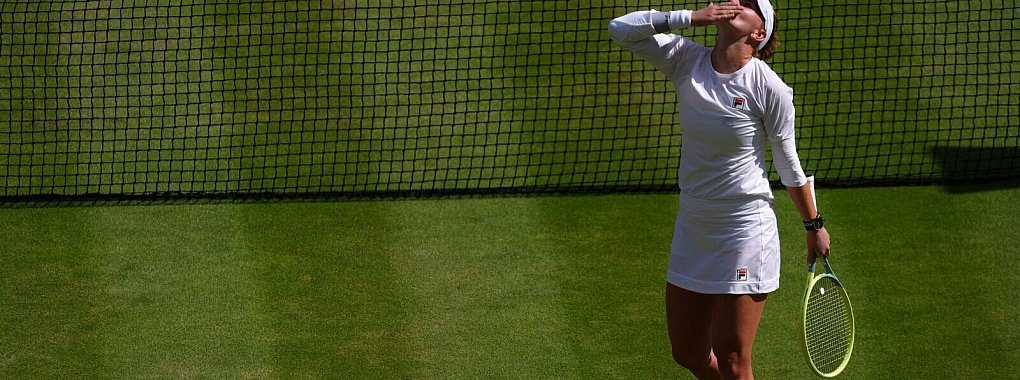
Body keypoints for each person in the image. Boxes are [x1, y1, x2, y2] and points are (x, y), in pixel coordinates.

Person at [608, 1, 831, 379]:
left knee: (732, 359)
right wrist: (691, 17)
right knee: (688, 353)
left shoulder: (770, 88)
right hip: (693, 226)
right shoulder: (685, 59)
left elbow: (788, 163)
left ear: (758, 34)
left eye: (749, 5)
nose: (737, 3)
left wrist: (814, 225)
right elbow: (621, 28)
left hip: (744, 230)